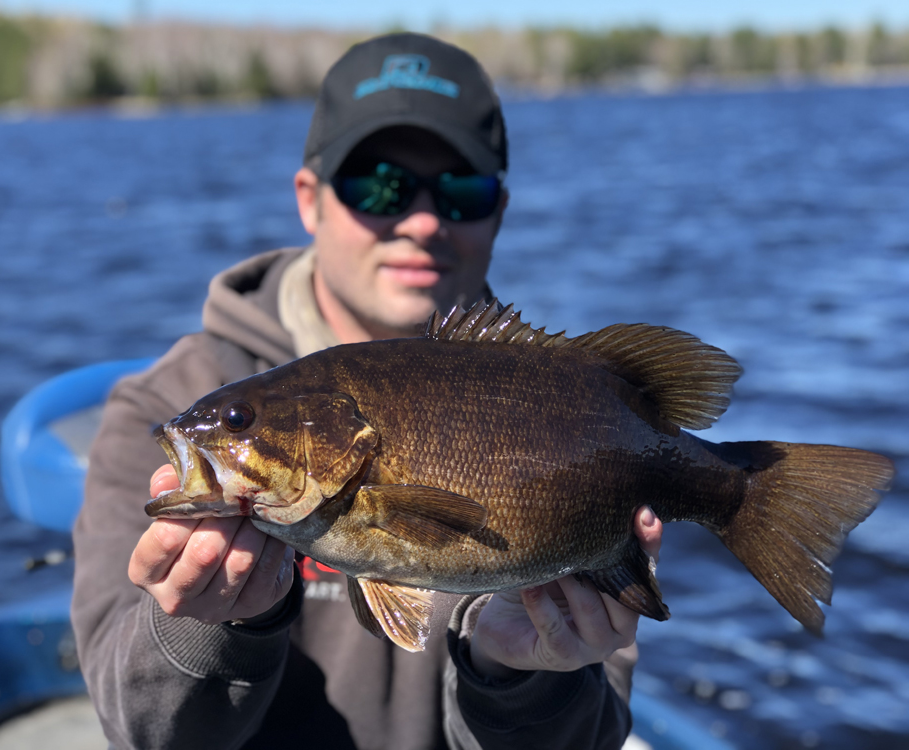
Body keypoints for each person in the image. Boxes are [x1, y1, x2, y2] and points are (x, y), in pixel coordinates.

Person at [72, 32, 663, 750]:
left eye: (460, 190)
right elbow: (138, 732)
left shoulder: (555, 400)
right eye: (377, 185)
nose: (419, 220)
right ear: (310, 199)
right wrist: (206, 628)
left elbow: (592, 736)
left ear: (499, 212)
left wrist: (519, 672)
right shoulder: (164, 400)